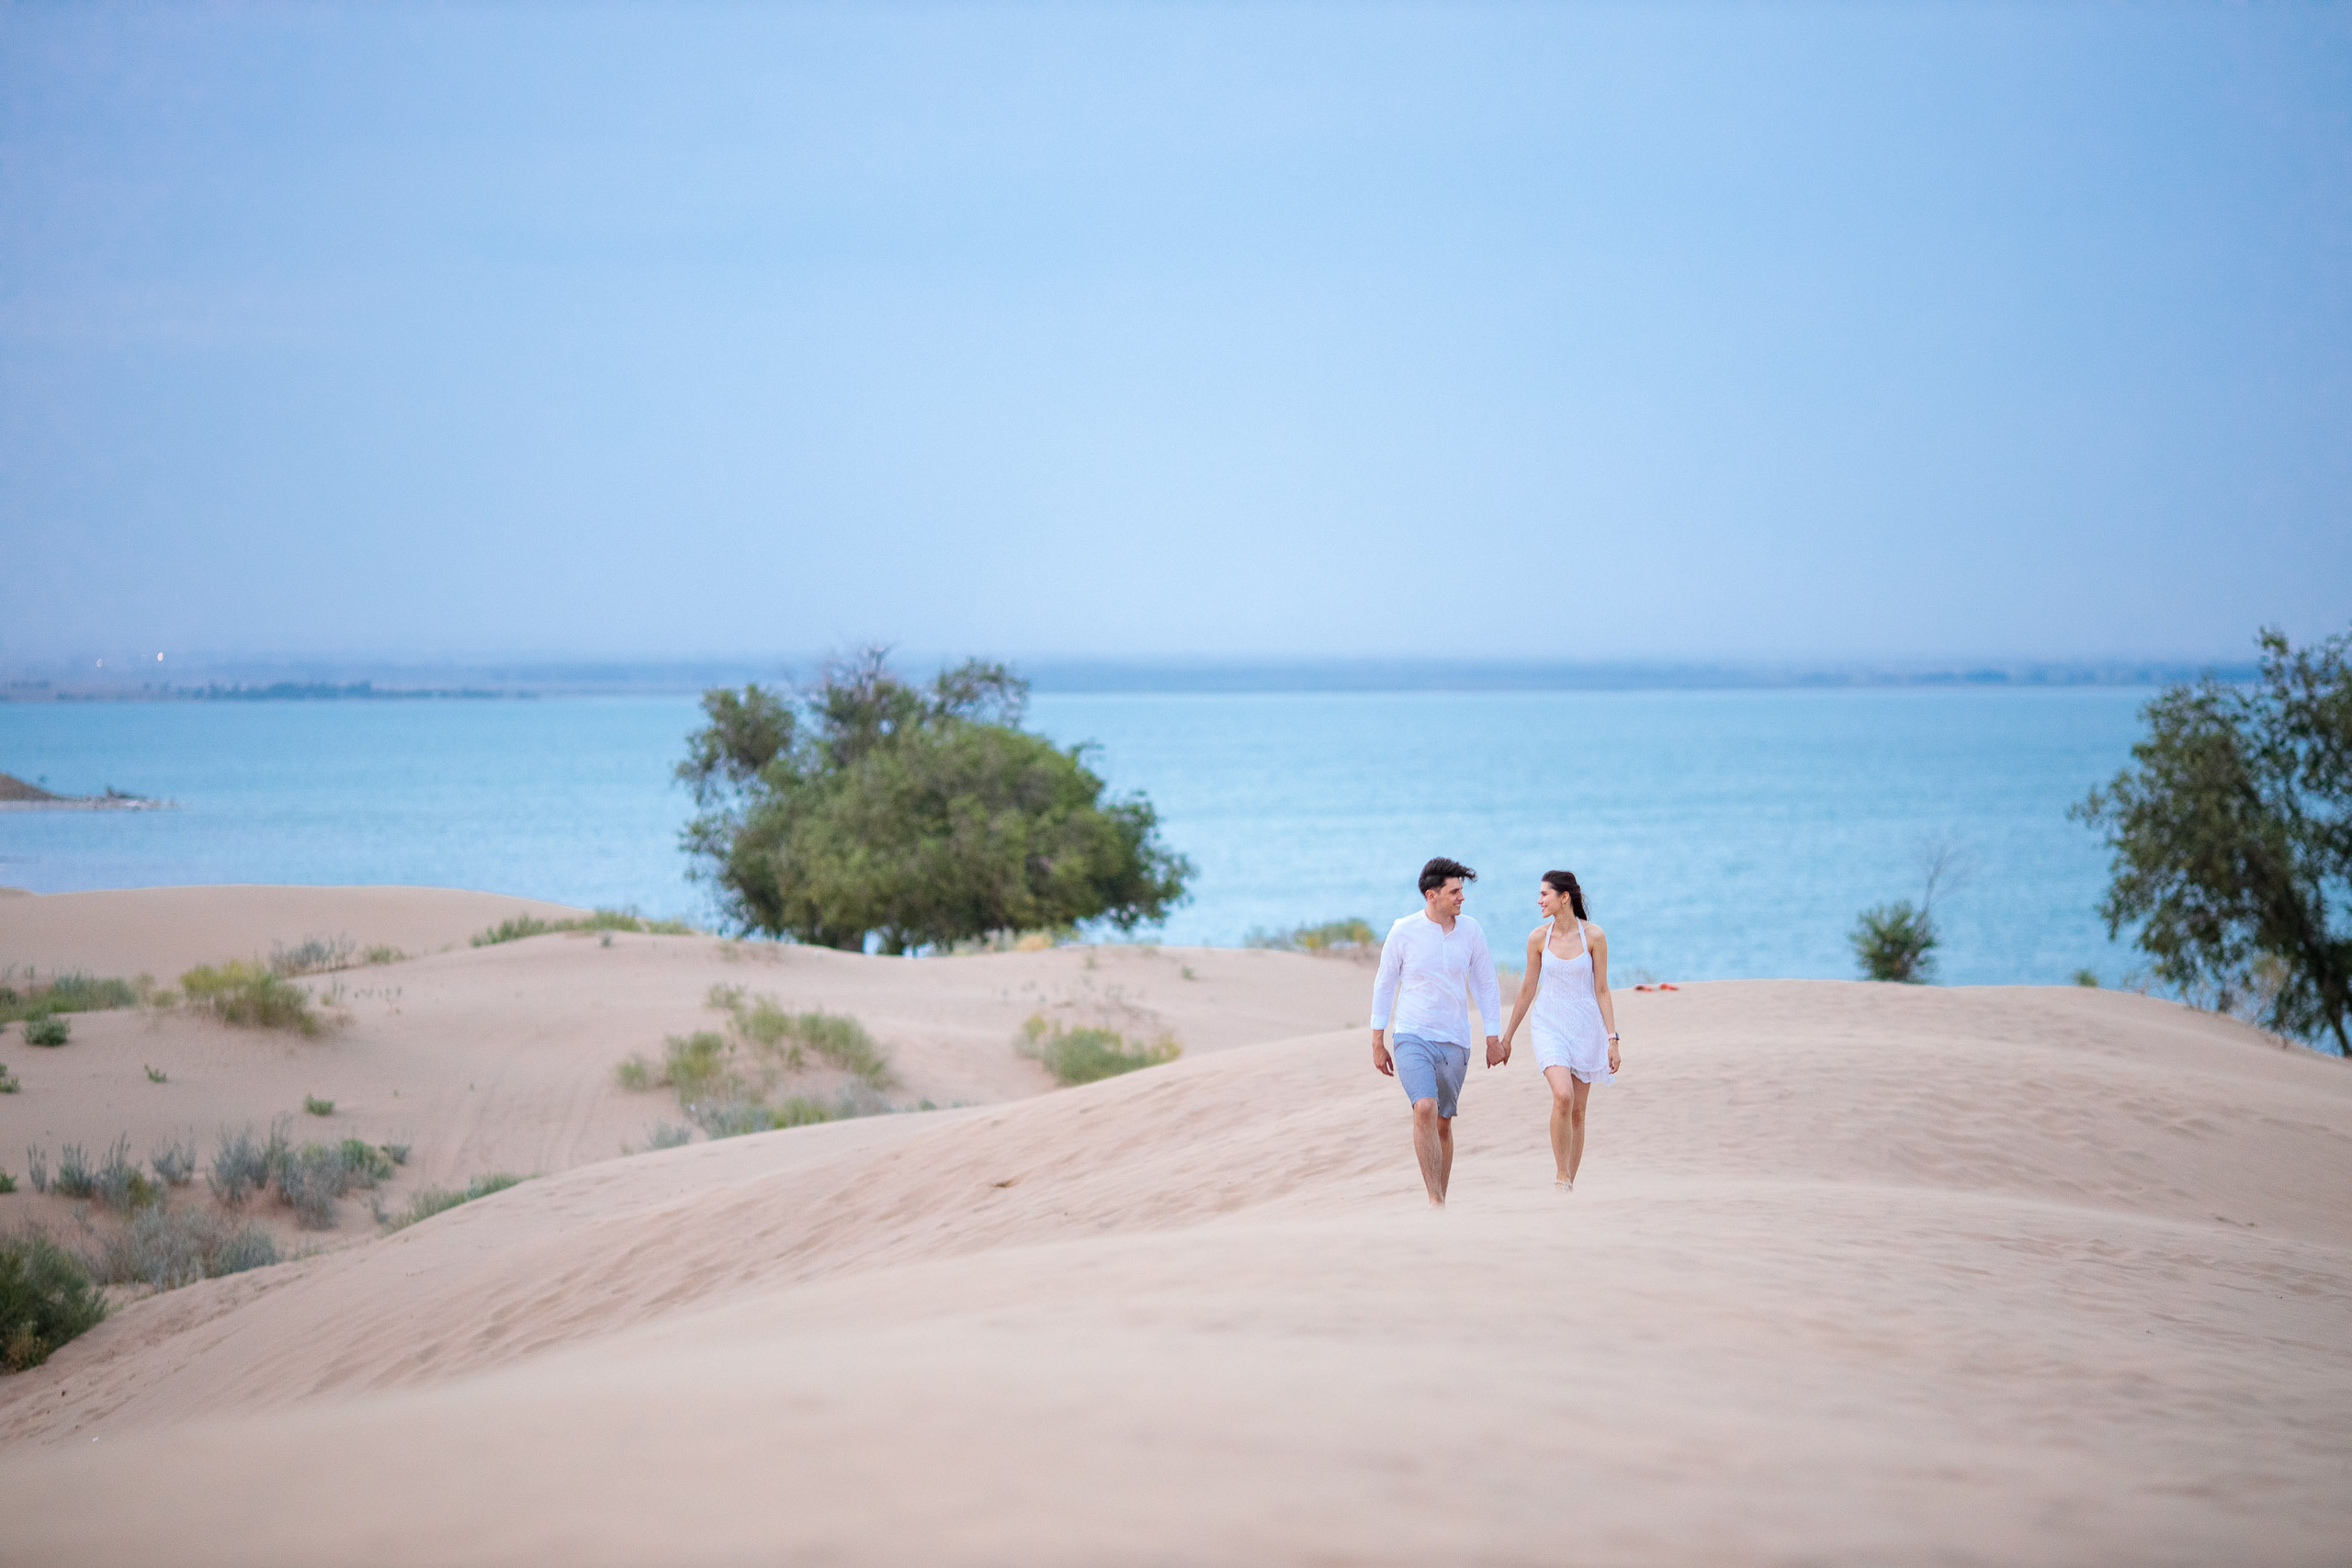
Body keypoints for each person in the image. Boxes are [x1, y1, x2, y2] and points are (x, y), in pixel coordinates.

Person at [1370, 857, 1504, 1207]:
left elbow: (1486, 983)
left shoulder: (1471, 931)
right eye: (1455, 891)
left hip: (1456, 1039)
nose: (1462, 898)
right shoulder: (1404, 931)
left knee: (1444, 1122)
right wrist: (1377, 1040)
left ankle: (1441, 1198)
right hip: (1412, 1033)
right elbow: (1384, 984)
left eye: (1462, 890)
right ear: (1432, 895)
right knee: (1425, 1108)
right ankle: (1435, 1201)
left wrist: (1493, 1036)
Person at [1497, 870, 1621, 1192]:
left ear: (1564, 897)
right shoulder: (1538, 938)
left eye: (1544, 895)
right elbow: (1526, 989)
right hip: (1549, 1023)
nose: (1539, 900)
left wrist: (1612, 1039)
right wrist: (1507, 1036)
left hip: (1586, 1026)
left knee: (1578, 1111)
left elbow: (1602, 989)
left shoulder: (1594, 936)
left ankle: (1568, 1184)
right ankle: (1560, 1175)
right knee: (1562, 1096)